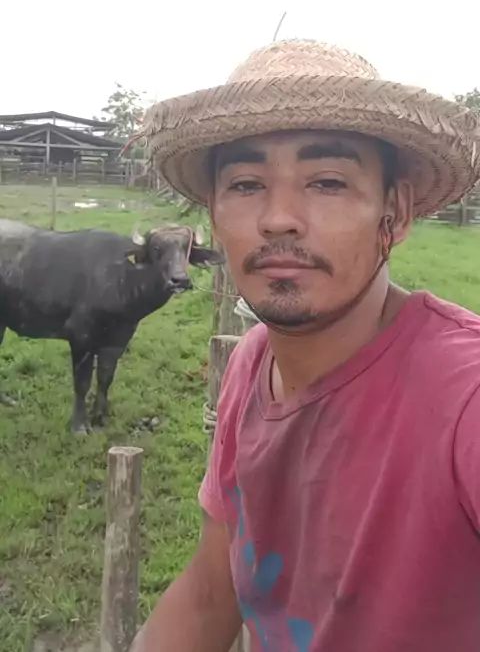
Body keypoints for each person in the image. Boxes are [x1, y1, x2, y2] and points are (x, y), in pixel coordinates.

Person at [130, 39, 480, 651]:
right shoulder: (252, 364)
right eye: (246, 184)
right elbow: (210, 595)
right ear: (213, 217)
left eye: (327, 181)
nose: (279, 218)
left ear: (395, 212)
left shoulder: (463, 396)